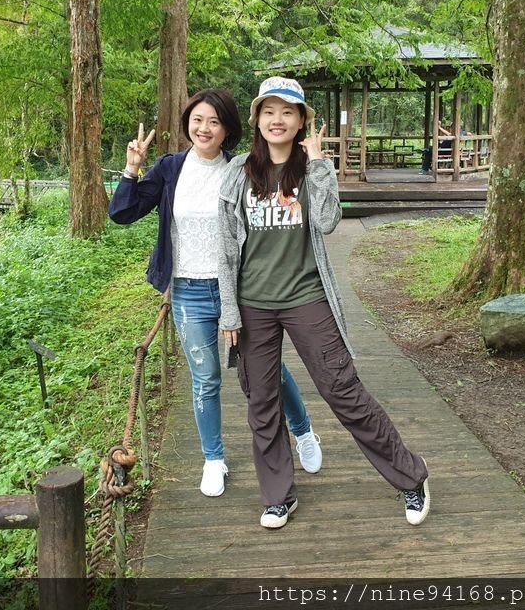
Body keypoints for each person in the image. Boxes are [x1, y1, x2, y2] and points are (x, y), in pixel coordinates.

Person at [217, 76, 430, 529]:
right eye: (269, 111)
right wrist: (229, 311)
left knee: (342, 389)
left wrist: (316, 164)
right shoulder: (237, 172)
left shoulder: (314, 168)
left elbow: (332, 221)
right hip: (253, 303)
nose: (278, 119)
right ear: (257, 118)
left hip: (307, 297)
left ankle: (410, 477)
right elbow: (226, 246)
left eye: (288, 112)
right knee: (262, 401)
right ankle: (277, 496)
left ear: (301, 121)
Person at [108, 87, 323, 498]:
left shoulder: (241, 171)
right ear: (188, 123)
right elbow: (122, 213)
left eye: (214, 121)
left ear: (228, 129)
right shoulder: (170, 168)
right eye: (197, 120)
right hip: (188, 291)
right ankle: (213, 458)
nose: (204, 128)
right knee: (205, 380)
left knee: (267, 370)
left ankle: (303, 430)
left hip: (239, 290)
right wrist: (132, 170)